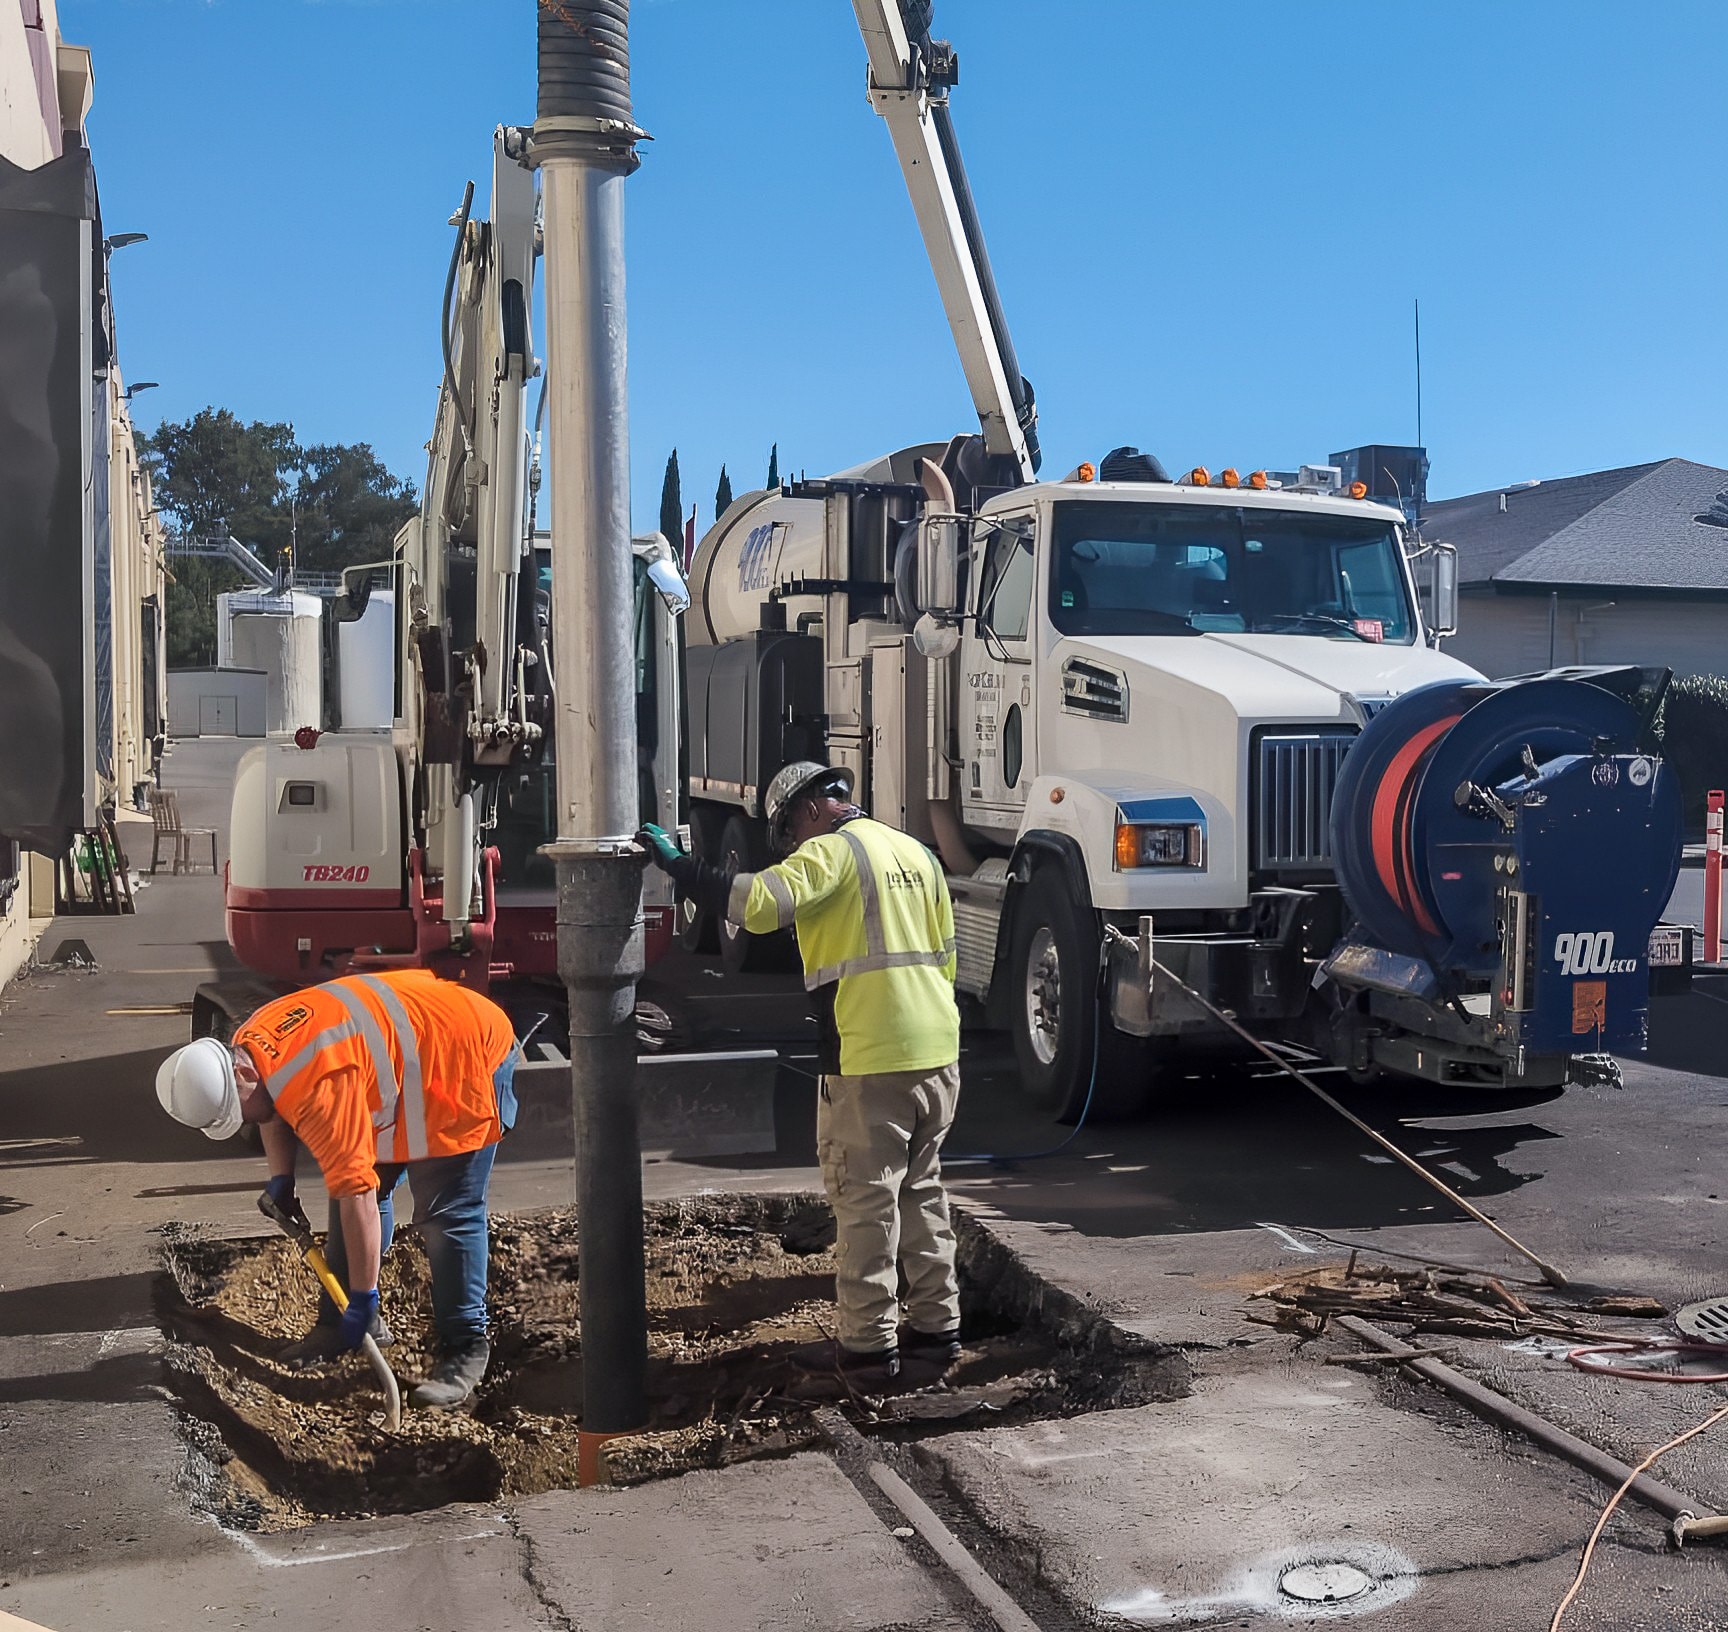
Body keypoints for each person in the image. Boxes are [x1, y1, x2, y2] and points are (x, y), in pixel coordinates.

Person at [640, 762, 962, 1387]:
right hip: (937, 1051)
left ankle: (868, 1350)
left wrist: (680, 867)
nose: (791, 846)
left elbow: (758, 907)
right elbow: (946, 955)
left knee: (865, 1201)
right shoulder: (915, 853)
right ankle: (936, 1332)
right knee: (921, 1192)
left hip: (872, 1057)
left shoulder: (834, 854)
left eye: (788, 831)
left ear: (811, 808)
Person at [155, 968, 519, 1410]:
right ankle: (339, 1325)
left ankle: (466, 1348)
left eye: (240, 1115)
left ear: (239, 1073)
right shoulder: (251, 1041)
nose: (246, 1125)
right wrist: (281, 1179)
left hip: (462, 1053)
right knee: (355, 1182)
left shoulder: (319, 1092)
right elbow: (269, 1110)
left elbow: (357, 1197)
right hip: (396, 1064)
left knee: (447, 1213)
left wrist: (363, 1299)